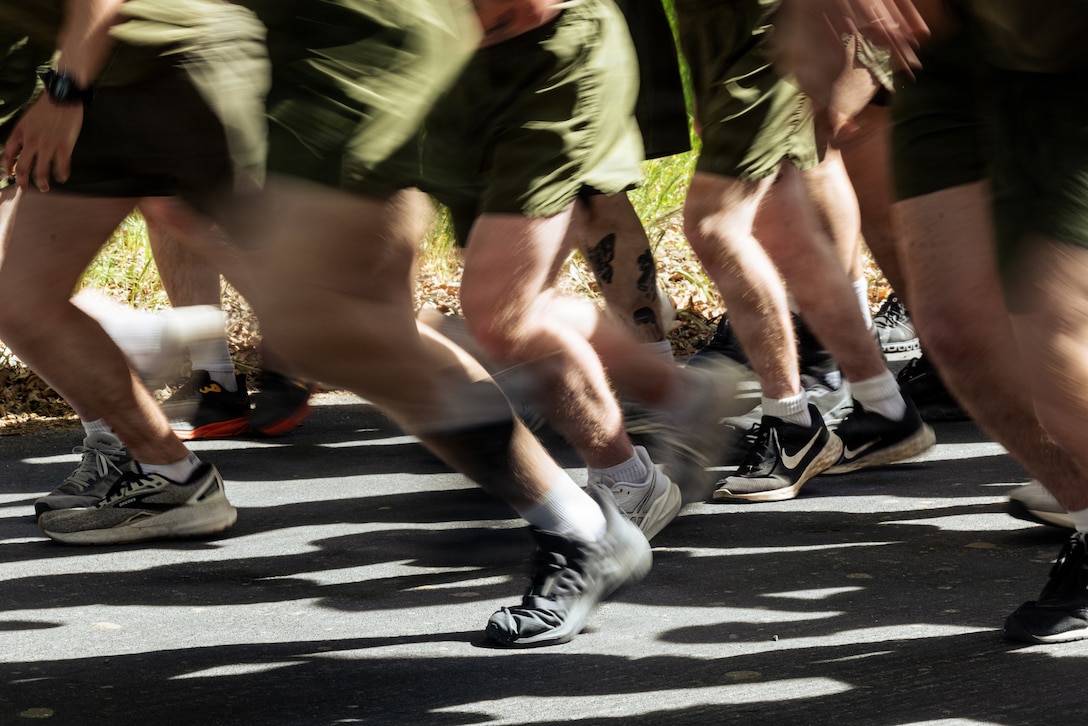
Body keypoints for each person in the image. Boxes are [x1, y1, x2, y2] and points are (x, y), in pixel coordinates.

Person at [0, 0, 655, 647]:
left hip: (233, 57)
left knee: (326, 328)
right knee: (20, 299)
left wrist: (65, 87)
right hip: (109, 82)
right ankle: (170, 475)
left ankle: (577, 526)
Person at [670, 0, 934, 504]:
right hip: (721, 19)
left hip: (771, 17)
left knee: (715, 223)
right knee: (786, 216)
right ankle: (884, 408)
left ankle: (792, 422)